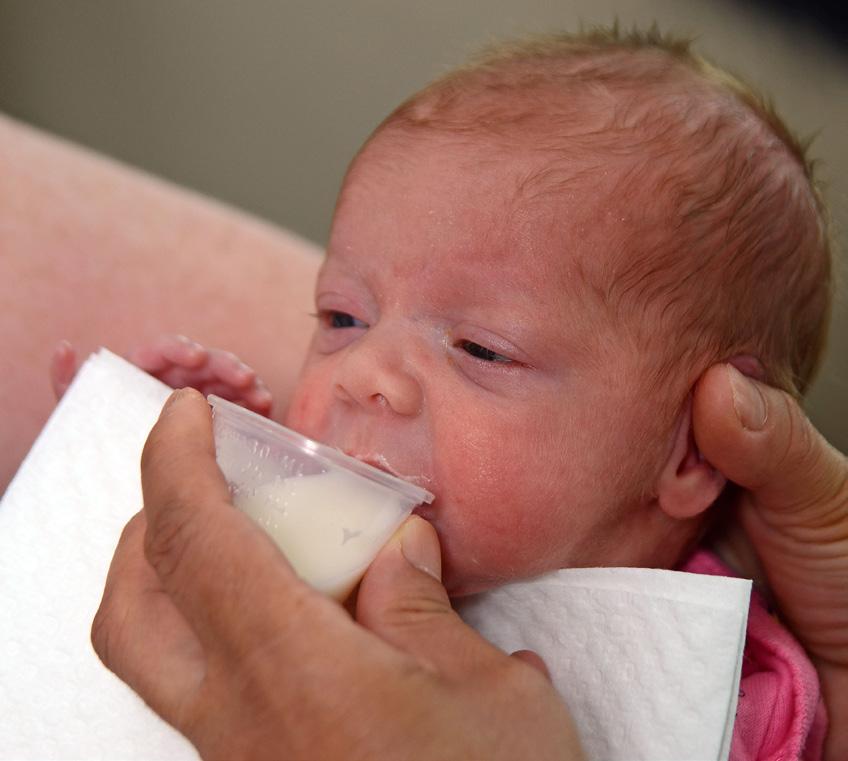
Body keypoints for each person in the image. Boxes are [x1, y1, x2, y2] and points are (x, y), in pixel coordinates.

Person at [84, 27, 845, 758]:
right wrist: (185, 439)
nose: (364, 374)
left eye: (482, 350)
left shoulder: (727, 697)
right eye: (343, 318)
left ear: (688, 451)